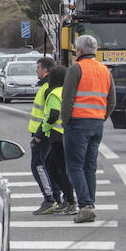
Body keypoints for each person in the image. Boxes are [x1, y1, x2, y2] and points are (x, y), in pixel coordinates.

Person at [60, 34, 116, 224]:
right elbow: (112, 101)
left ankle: (85, 206)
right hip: (96, 124)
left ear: (80, 51)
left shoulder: (76, 69)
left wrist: (65, 121)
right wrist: (101, 117)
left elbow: (67, 99)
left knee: (74, 166)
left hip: (77, 124)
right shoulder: (105, 70)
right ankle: (89, 203)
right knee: (89, 166)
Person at [41, 66, 74, 214]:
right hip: (66, 133)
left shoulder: (54, 93)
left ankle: (70, 200)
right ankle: (67, 198)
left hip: (56, 135)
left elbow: (53, 115)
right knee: (54, 166)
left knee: (59, 169)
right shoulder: (67, 91)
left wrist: (44, 129)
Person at [27, 56, 57, 214]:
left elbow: (48, 115)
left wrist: (38, 134)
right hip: (44, 132)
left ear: (45, 69)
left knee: (37, 165)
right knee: (48, 166)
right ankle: (55, 198)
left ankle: (49, 199)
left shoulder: (47, 88)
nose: (36, 71)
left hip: (43, 133)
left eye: (38, 68)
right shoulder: (47, 85)